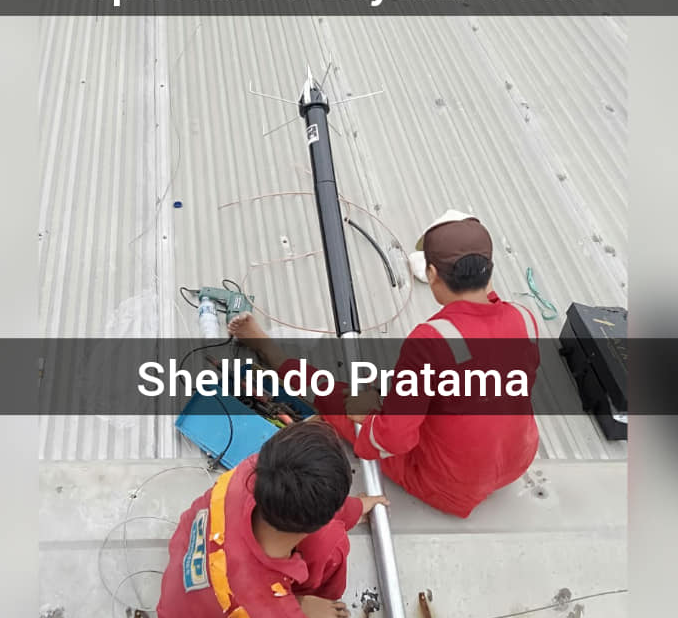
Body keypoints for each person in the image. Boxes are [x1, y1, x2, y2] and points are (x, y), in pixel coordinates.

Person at [228, 212, 540, 519]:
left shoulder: (432, 339)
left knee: (337, 395)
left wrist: (368, 417)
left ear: (432, 273)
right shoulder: (524, 317)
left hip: (449, 485)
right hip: (517, 460)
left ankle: (269, 352)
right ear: (489, 270)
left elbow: (393, 440)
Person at [157, 420, 425, 618]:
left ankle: (299, 600)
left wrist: (354, 508)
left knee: (331, 542)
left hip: (203, 549)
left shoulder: (255, 469)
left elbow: (321, 511)